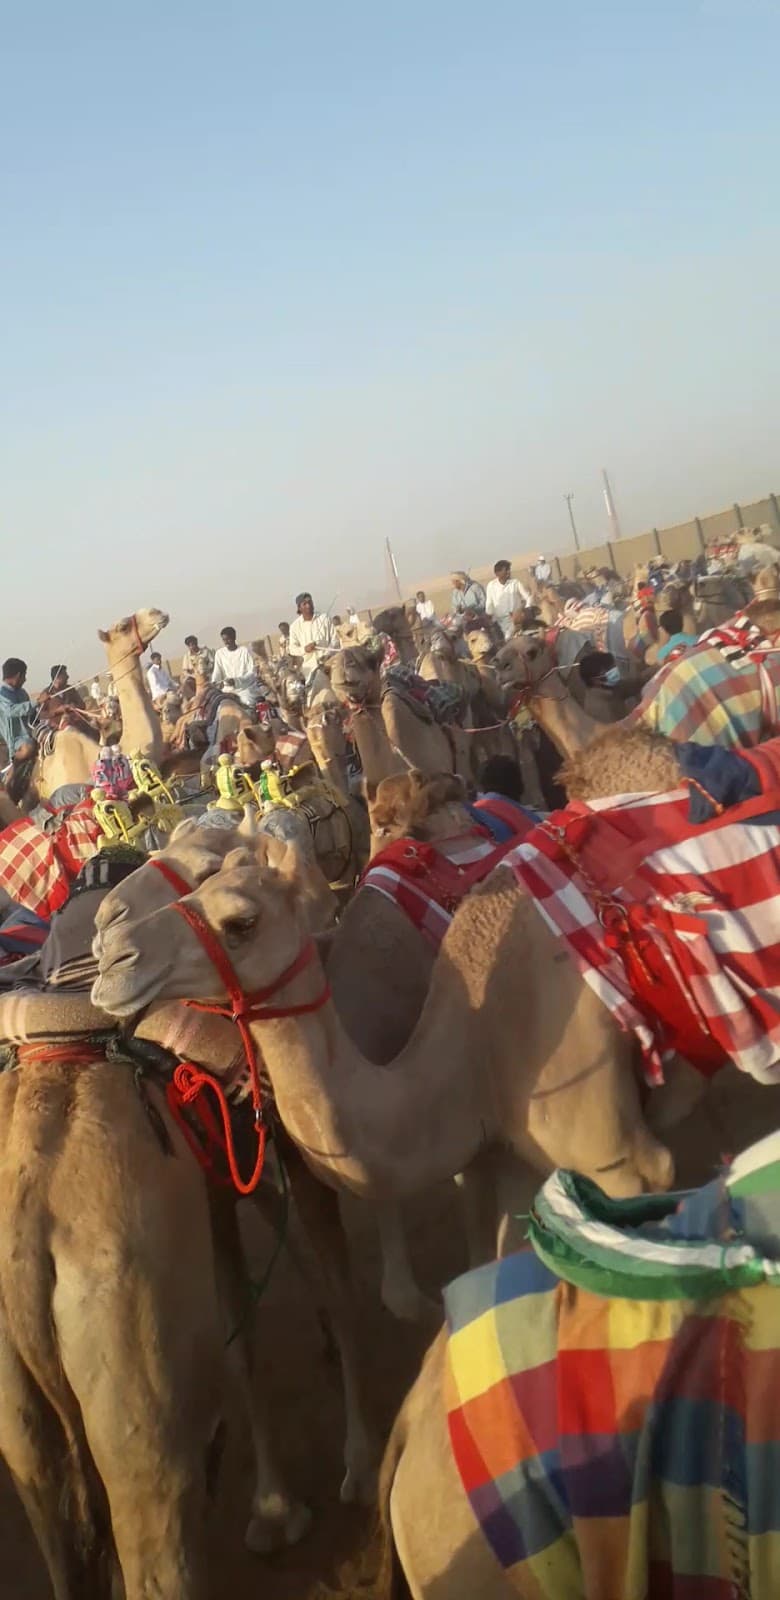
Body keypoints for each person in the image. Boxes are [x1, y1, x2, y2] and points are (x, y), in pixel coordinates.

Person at [288, 593, 337, 681]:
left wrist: (328, 654)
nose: (308, 605)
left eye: (310, 602)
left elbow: (335, 640)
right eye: (305, 604)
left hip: (329, 664)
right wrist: (305, 649)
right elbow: (292, 649)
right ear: (299, 608)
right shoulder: (294, 627)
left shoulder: (324, 618)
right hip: (309, 670)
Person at [0, 658, 35, 769]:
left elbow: (31, 714)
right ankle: (12, 769)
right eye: (24, 676)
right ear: (18, 675)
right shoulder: (2, 695)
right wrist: (37, 701)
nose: (25, 679)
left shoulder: (22, 693)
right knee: (28, 749)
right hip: (14, 741)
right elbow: (11, 711)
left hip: (29, 735)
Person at [485, 560, 532, 640]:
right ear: (497, 573)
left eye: (509, 569)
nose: (508, 572)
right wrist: (489, 616)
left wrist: (525, 610)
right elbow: (489, 603)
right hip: (500, 622)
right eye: (506, 570)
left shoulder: (515, 583)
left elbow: (528, 597)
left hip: (516, 620)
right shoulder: (491, 586)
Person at [211, 626, 258, 706]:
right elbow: (217, 671)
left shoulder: (244, 651)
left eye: (228, 639)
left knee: (248, 703)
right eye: (224, 640)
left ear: (234, 637)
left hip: (244, 689)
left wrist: (236, 681)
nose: (226, 642)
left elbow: (252, 673)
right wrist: (215, 682)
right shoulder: (219, 653)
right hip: (227, 690)